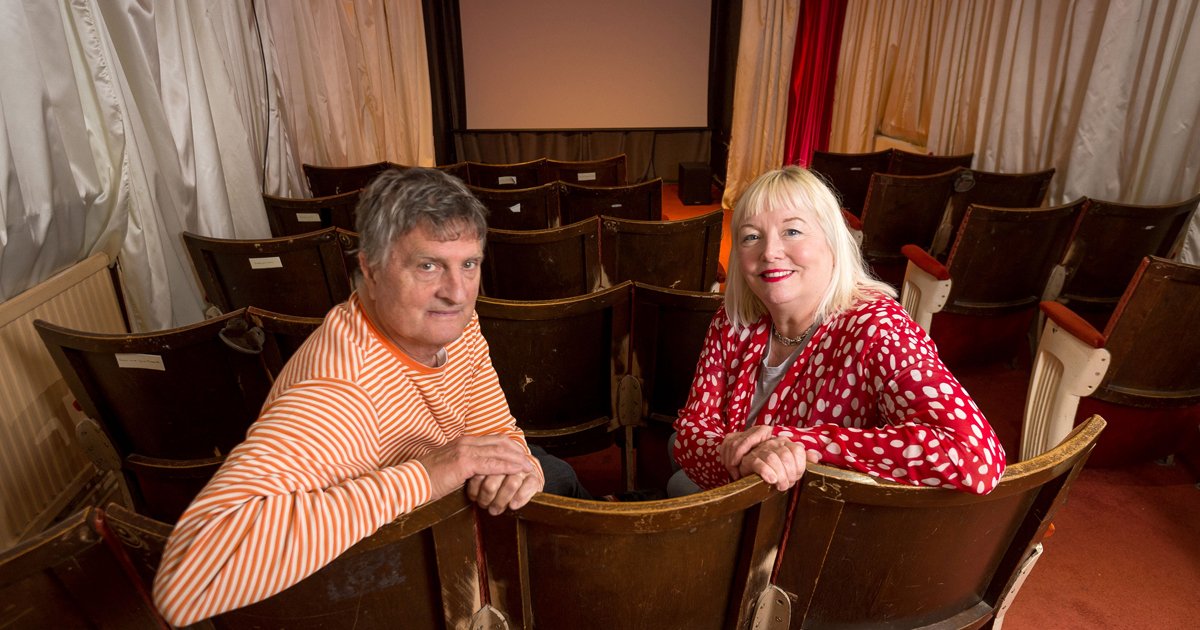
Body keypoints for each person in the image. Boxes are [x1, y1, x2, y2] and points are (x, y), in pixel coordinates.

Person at [153, 168, 587, 626]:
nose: (456, 292)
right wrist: (426, 475)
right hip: (378, 571)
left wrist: (520, 466)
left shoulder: (451, 324)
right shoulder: (340, 391)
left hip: (440, 507)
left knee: (554, 473)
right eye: (428, 265)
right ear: (371, 268)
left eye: (468, 264)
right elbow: (187, 582)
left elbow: (494, 427)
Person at [671, 166, 1005, 497]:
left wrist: (796, 444)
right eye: (751, 237)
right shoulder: (732, 319)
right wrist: (742, 459)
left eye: (792, 232)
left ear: (832, 242)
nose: (770, 252)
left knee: (679, 483)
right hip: (745, 478)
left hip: (813, 511)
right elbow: (691, 433)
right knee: (676, 448)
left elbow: (976, 456)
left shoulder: (879, 329)